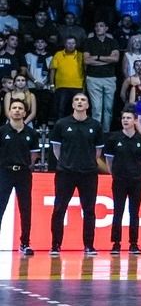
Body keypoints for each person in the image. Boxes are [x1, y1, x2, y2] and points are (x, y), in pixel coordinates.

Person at [50, 92, 103, 255]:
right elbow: (56, 149)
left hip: (88, 174)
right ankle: (55, 245)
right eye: (77, 100)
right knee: (59, 208)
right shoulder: (62, 124)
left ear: (88, 105)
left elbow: (98, 151)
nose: (80, 102)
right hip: (66, 173)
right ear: (73, 104)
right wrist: (67, 162)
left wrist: (86, 162)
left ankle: (89, 245)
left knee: (89, 210)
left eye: (83, 100)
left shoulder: (95, 125)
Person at [105, 106, 141, 254]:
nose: (126, 120)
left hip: (137, 180)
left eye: (129, 118)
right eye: (124, 118)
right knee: (118, 211)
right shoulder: (114, 139)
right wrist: (116, 173)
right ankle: (116, 243)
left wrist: (135, 172)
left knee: (134, 212)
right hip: (119, 180)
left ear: (135, 120)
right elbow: (109, 161)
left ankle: (133, 243)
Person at [0, 98, 41, 254]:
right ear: (9, 112)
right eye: (14, 108)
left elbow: (34, 155)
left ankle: (25, 243)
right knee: (0, 207)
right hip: (4, 172)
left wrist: (23, 165)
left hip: (23, 173)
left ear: (25, 113)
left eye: (20, 108)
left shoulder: (31, 133)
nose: (17, 110)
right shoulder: (2, 131)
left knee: (25, 208)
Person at [83, 20, 120, 132]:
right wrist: (106, 59)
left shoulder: (112, 42)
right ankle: (96, 133)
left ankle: (106, 132)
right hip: (93, 78)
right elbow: (87, 61)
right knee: (97, 108)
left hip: (109, 78)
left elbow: (115, 59)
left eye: (101, 26)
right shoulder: (89, 42)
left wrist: (97, 57)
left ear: (106, 28)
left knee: (108, 108)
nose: (99, 28)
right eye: (97, 26)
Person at [49, 36, 85, 121]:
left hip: (78, 87)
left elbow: (85, 71)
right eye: (69, 43)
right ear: (65, 44)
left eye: (73, 43)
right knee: (60, 110)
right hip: (62, 87)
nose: (71, 45)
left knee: (77, 110)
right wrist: (51, 84)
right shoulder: (58, 54)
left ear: (76, 44)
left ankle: (76, 129)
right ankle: (59, 130)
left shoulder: (81, 55)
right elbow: (52, 70)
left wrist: (84, 86)